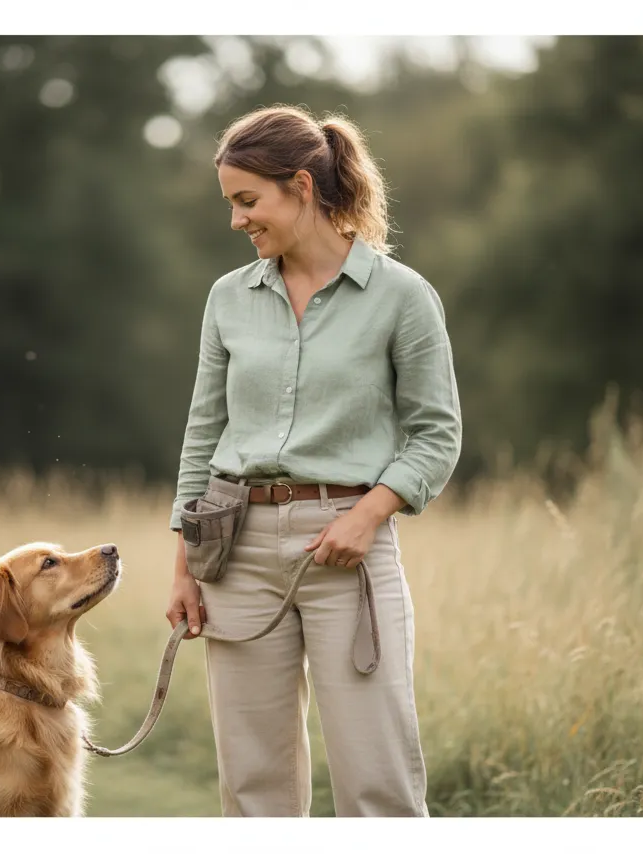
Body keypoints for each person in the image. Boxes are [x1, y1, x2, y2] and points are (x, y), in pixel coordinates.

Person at [165, 104, 461, 817]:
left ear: (301, 186)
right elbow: (203, 433)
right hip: (232, 551)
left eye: (247, 201)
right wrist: (184, 566)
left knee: (377, 778)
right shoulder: (227, 299)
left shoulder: (402, 296)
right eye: (231, 203)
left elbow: (436, 435)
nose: (237, 221)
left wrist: (368, 515)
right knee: (253, 787)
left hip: (349, 557)